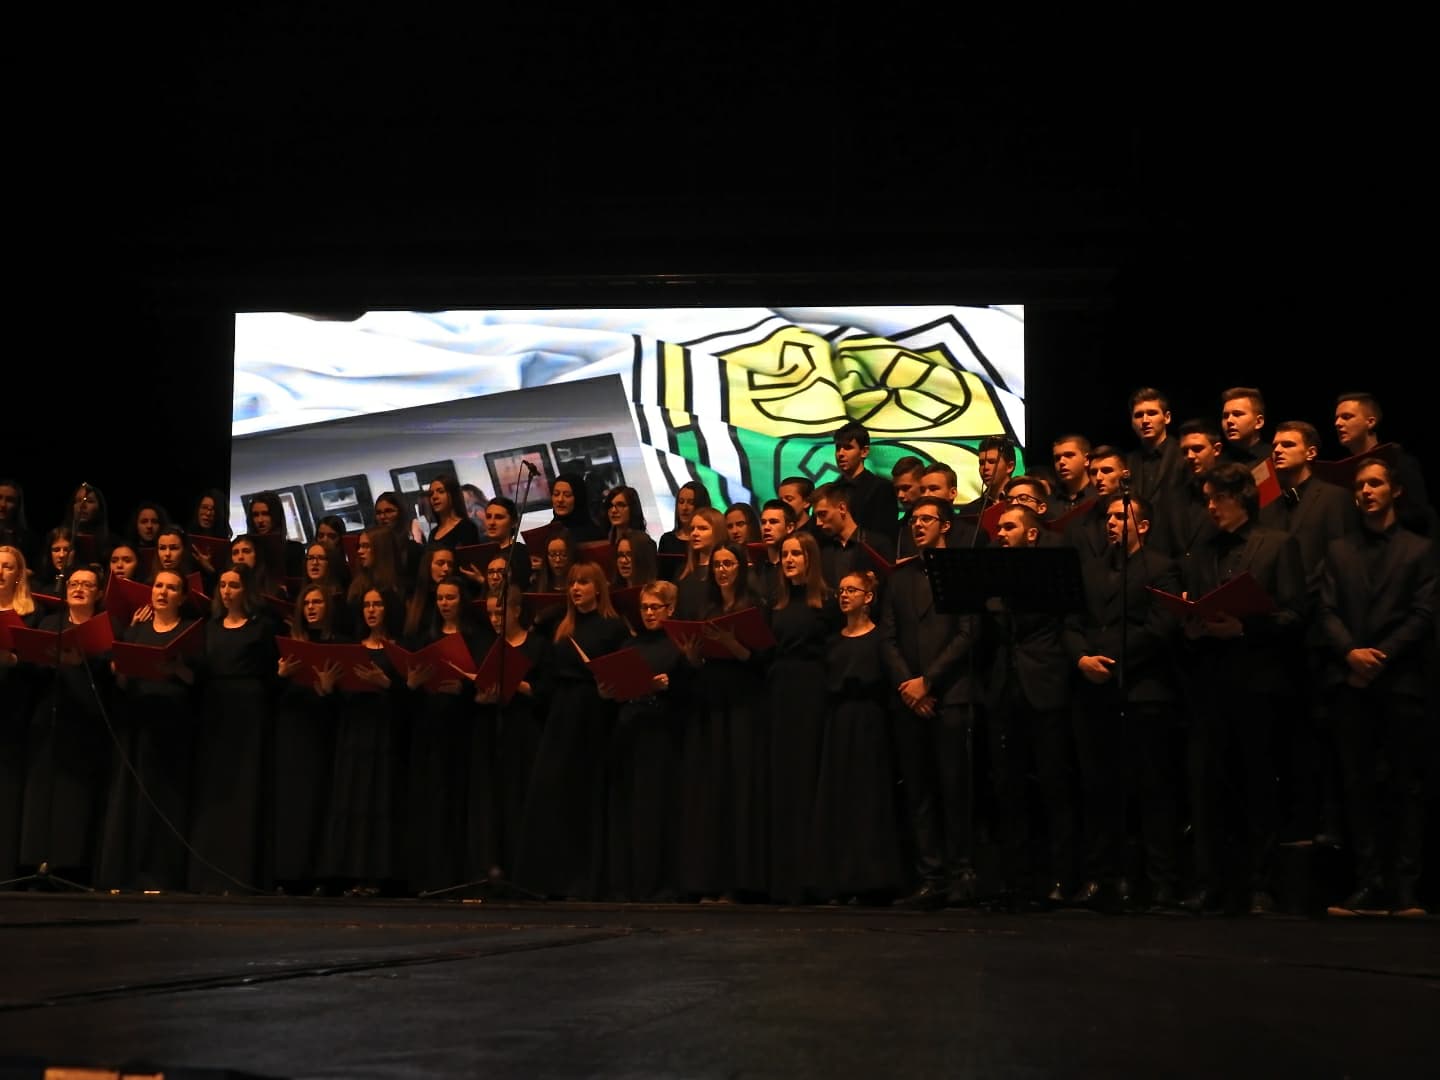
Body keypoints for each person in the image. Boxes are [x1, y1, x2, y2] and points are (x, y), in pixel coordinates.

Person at [1177, 461, 1306, 915]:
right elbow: (1195, 608)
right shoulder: (1202, 551)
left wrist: (1245, 629)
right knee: (1207, 787)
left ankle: (1260, 885)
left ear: (1243, 499)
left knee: (1258, 786)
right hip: (1209, 686)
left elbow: (1294, 614)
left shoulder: (1278, 544)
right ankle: (1210, 883)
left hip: (1257, 682)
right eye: (1207, 499)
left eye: (1219, 498)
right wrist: (1192, 626)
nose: (1211, 507)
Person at [1320, 459, 1436, 916]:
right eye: (1360, 485)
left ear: (1395, 491)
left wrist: (1379, 657)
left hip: (1400, 679)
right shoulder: (1338, 549)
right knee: (1358, 784)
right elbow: (1326, 609)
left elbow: (1423, 614)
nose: (1366, 491)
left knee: (1406, 785)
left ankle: (1405, 886)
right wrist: (1350, 653)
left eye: (1375, 483)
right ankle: (1368, 882)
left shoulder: (1419, 549)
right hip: (1351, 680)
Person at [1063, 494, 1184, 910]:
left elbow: (1160, 628)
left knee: (1151, 788)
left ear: (1143, 526)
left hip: (1141, 690)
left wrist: (1108, 660)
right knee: (1098, 788)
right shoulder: (1091, 568)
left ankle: (1158, 880)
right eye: (1108, 518)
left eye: (1120, 516)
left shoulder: (1161, 568)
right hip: (1094, 691)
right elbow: (1071, 621)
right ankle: (1102, 877)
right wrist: (1082, 658)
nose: (1110, 523)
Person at [880, 496, 982, 908]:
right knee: (919, 790)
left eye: (926, 519)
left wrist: (928, 681)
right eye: (913, 520)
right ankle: (930, 875)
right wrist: (909, 684)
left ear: (946, 526)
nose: (917, 525)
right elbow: (887, 637)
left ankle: (961, 873)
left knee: (955, 788)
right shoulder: (899, 577)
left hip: (950, 695)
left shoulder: (961, 571)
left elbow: (968, 633)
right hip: (910, 697)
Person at [513, 563, 631, 900]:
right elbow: (549, 677)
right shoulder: (562, 626)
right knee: (554, 793)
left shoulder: (612, 627)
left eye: (583, 583)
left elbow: (620, 671)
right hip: (561, 713)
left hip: (593, 712)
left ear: (598, 588)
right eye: (572, 583)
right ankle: (551, 879)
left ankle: (585, 881)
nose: (576, 588)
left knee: (585, 794)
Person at [984, 505, 1079, 907]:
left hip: (1045, 682)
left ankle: (1063, 877)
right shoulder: (992, 574)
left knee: (1055, 784)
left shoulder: (1051, 571)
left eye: (1010, 527)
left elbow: (1065, 622)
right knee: (1009, 786)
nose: (1001, 533)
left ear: (1032, 534)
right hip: (1005, 686)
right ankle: (1016, 879)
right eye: (999, 528)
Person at [679, 541, 768, 903]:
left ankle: (739, 881)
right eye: (717, 564)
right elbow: (700, 664)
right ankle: (709, 879)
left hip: (743, 704)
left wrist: (732, 645)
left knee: (738, 789)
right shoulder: (707, 608)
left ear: (740, 567)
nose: (722, 570)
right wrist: (691, 657)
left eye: (728, 563)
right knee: (711, 791)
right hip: (711, 703)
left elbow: (761, 661)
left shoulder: (754, 606)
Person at [99, 569, 199, 892]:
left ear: (182, 597)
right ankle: (124, 874)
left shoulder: (188, 631)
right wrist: (120, 670)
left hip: (173, 724)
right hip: (137, 722)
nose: (162, 592)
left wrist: (177, 668)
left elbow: (198, 681)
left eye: (171, 588)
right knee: (131, 799)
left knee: (165, 799)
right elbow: (121, 683)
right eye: (158, 586)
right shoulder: (136, 631)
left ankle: (160, 876)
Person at [811, 570, 906, 904]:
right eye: (841, 590)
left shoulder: (880, 639)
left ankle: (871, 881)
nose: (844, 595)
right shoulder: (833, 641)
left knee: (868, 799)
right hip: (839, 723)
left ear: (868, 597)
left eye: (851, 590)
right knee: (840, 798)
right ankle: (839, 880)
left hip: (869, 723)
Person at [19, 563, 114, 886]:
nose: (79, 589)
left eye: (87, 585)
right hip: (50, 716)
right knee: (43, 794)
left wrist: (83, 662)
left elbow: (113, 676)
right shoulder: (50, 623)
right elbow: (30, 668)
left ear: (98, 593)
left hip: (86, 720)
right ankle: (38, 864)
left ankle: (73, 867)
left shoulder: (106, 626)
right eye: (73, 583)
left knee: (77, 799)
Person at [188, 563, 277, 894]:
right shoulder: (209, 627)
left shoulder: (261, 627)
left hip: (249, 709)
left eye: (234, 585)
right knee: (216, 789)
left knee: (245, 786)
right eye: (223, 585)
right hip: (215, 708)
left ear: (246, 590)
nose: (226, 591)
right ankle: (209, 873)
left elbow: (270, 672)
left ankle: (242, 872)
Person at [602, 580, 690, 901]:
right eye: (644, 607)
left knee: (657, 807)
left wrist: (667, 686)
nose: (649, 613)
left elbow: (690, 691)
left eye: (655, 607)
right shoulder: (629, 645)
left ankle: (658, 884)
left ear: (671, 609)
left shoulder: (678, 646)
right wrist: (608, 691)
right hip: (629, 729)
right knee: (628, 806)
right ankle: (626, 882)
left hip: (661, 732)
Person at [319, 586, 404, 897]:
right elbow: (339, 698)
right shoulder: (353, 648)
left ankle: (377, 876)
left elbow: (410, 699)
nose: (371, 610)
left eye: (377, 604)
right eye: (367, 605)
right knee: (351, 798)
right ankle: (348, 873)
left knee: (378, 799)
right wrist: (328, 687)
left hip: (383, 733)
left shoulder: (399, 649)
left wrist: (386, 684)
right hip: (353, 730)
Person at [768, 531, 838, 904]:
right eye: (785, 554)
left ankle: (815, 876)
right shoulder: (776, 604)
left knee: (810, 777)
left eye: (796, 553)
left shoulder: (825, 602)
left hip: (812, 690)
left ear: (810, 558)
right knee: (784, 781)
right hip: (780, 692)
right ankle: (785, 877)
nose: (789, 559)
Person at [271, 584, 344, 895]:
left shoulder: (337, 643)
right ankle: (288, 873)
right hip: (292, 730)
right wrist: (281, 675)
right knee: (291, 803)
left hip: (322, 731)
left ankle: (317, 874)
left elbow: (345, 697)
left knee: (319, 803)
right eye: (307, 603)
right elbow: (275, 696)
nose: (312, 607)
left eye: (317, 602)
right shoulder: (291, 643)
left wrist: (327, 689)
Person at [1332, 392, 1434, 537]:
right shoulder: (1341, 469)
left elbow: (1419, 514)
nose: (1337, 423)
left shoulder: (1397, 461)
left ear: (1370, 422)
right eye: (1336, 418)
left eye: (1346, 417)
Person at [0, 544, 37, 880]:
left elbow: (36, 662)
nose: (0, 572)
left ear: (19, 574)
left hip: (14, 707)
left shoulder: (31, 613)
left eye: (8, 566)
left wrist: (12, 660)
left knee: (8, 789)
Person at [830, 420, 900, 543]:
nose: (840, 453)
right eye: (838, 448)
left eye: (848, 447)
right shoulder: (831, 491)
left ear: (864, 451)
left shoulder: (881, 488)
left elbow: (885, 536)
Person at [813, 480, 890, 589]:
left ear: (842, 508)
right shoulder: (822, 550)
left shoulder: (877, 545)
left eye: (823, 514)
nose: (818, 522)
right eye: (816, 516)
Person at [1124, 387, 1186, 509]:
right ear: (1132, 422)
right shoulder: (1128, 462)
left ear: (1167, 417)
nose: (1145, 420)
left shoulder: (1184, 454)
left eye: (1152, 413)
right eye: (1138, 415)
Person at [674, 506, 726, 619]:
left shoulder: (724, 571)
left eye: (702, 528)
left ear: (718, 531)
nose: (694, 533)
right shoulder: (683, 572)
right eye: (692, 528)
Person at [658, 479, 712, 581]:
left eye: (690, 502)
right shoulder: (667, 540)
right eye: (681, 502)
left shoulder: (707, 540)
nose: (684, 507)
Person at [423, 473, 481, 552]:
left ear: (453, 495)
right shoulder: (433, 533)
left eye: (441, 491)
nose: (434, 497)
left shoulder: (466, 527)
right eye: (431, 494)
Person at [1219, 386, 1270, 468]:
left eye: (1237, 414)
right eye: (1225, 416)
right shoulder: (1217, 464)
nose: (1229, 421)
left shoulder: (1274, 458)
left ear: (1258, 422)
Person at [547, 472, 605, 543]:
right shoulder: (549, 530)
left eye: (567, 495)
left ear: (579, 499)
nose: (560, 499)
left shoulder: (593, 535)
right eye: (556, 494)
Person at [1050, 435, 1094, 517]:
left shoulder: (1098, 497)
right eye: (1057, 458)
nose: (1061, 462)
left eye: (1069, 455)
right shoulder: (1049, 500)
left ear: (1087, 459)